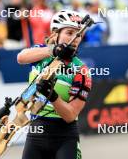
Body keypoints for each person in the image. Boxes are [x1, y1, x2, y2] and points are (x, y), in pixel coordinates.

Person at [17, 10, 92, 159]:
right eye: (69, 33)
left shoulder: (82, 70)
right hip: (36, 134)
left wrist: (52, 96)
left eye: (78, 34)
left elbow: (70, 115)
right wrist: (53, 50)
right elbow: (21, 57)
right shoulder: (43, 53)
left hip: (64, 137)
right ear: (55, 33)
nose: (75, 38)